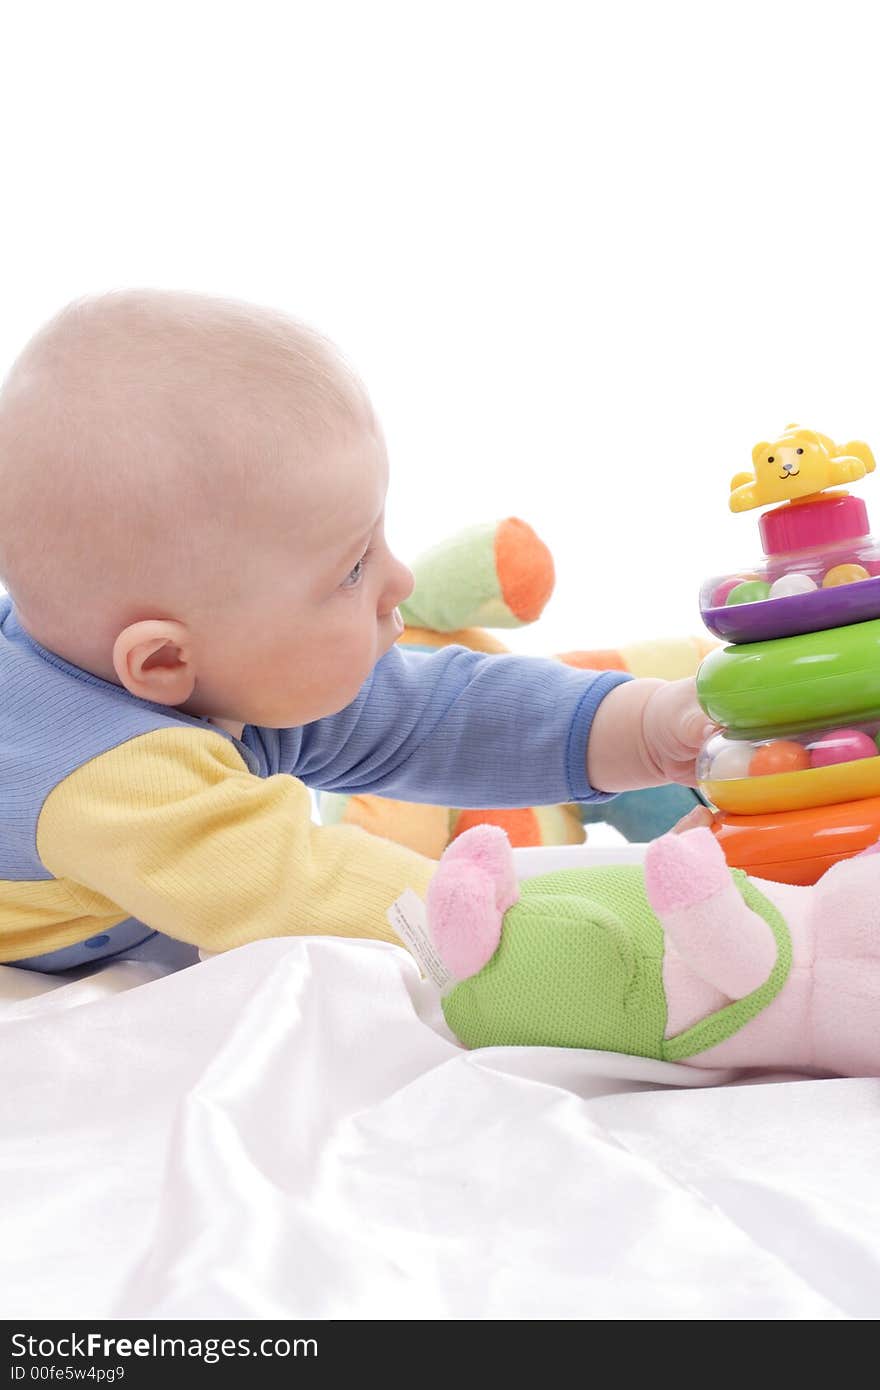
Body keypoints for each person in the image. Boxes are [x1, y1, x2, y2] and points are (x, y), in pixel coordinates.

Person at [0, 290, 713, 973]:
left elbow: (438, 718)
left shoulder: (225, 672)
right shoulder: (108, 782)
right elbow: (310, 888)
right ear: (161, 661)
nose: (399, 581)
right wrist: (589, 948)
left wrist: (647, 727)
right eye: (352, 569)